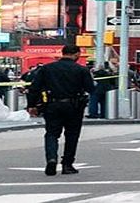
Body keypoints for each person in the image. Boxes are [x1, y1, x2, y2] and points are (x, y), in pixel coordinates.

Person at [26, 45, 94, 176]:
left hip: (52, 105)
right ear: (76, 54)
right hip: (74, 106)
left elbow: (34, 88)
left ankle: (51, 158)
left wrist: (32, 105)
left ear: (63, 53)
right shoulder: (81, 70)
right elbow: (90, 88)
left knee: (51, 134)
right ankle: (67, 164)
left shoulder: (46, 69)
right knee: (72, 135)